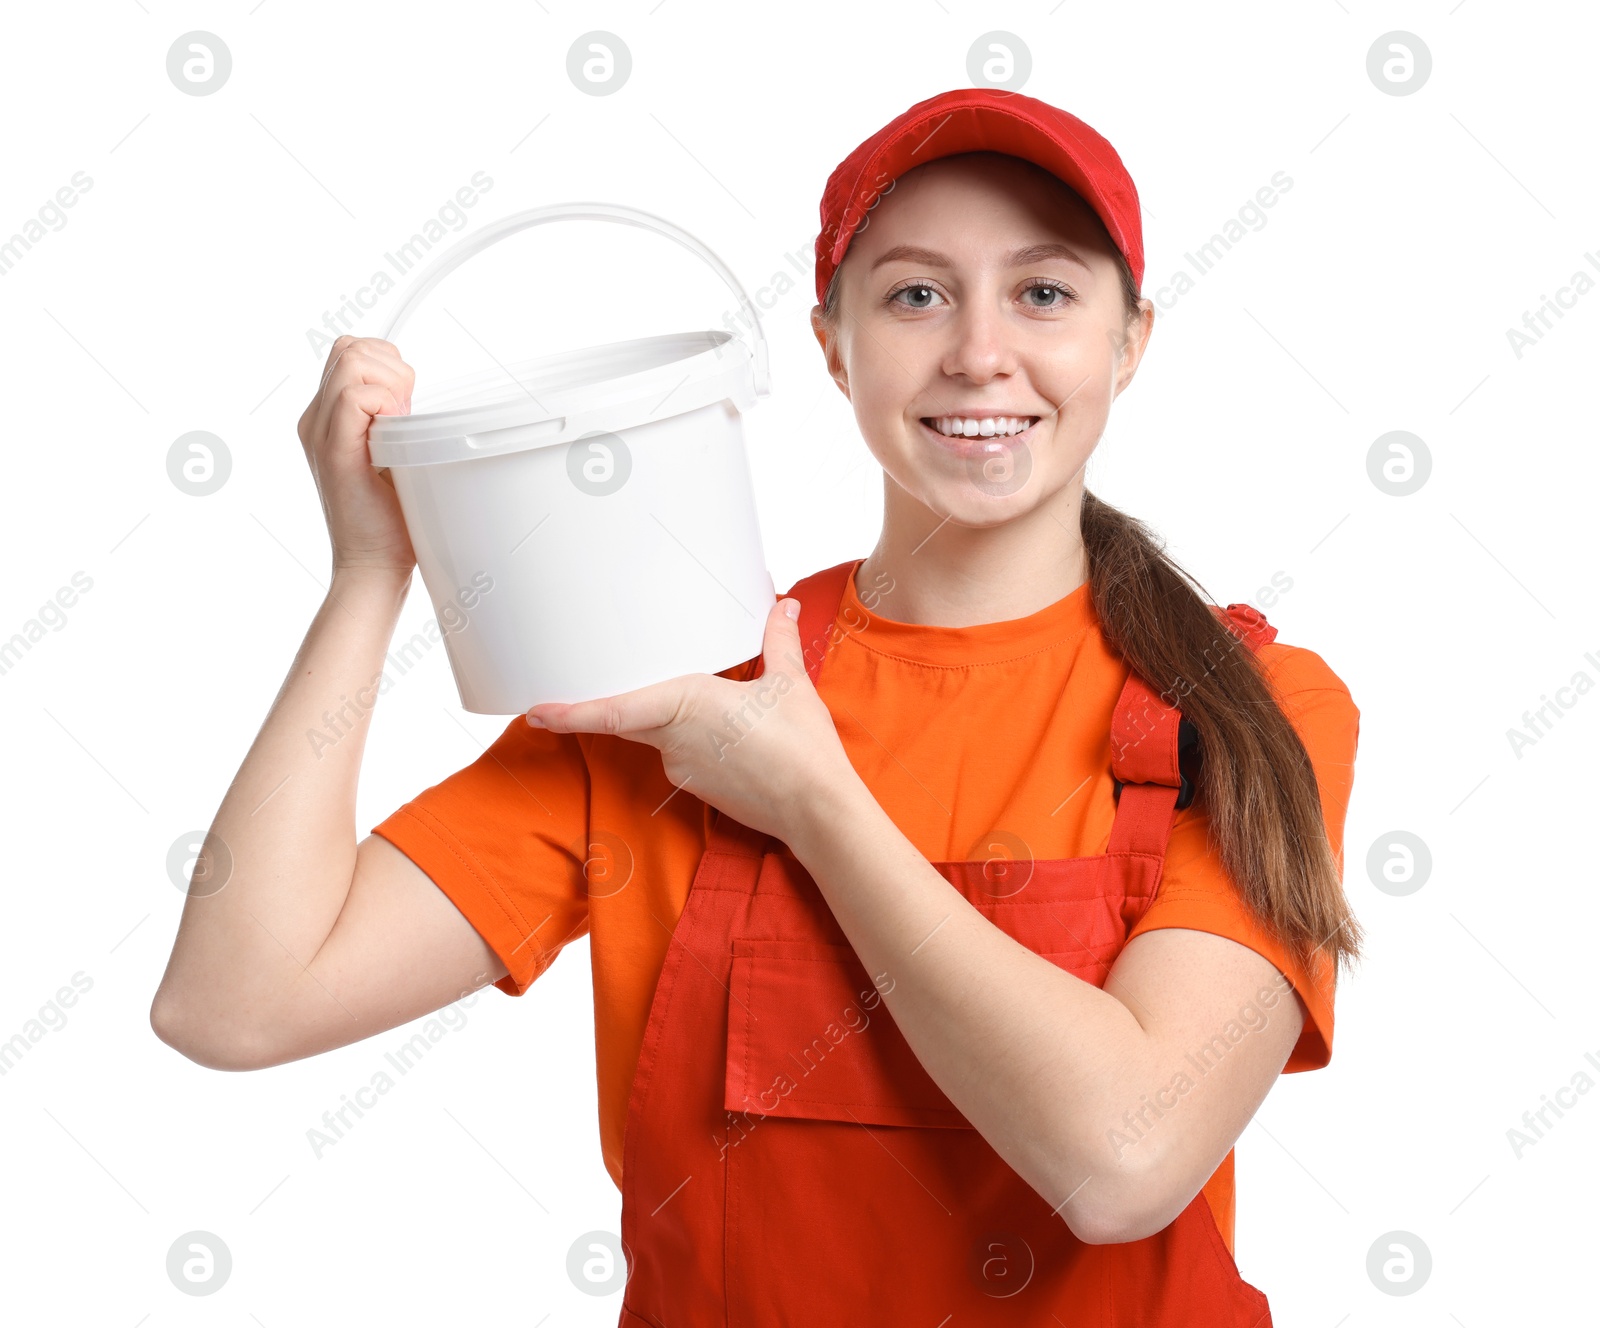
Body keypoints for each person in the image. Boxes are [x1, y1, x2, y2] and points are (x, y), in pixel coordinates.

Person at [151, 87, 1362, 1326]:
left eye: (1043, 293)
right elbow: (235, 1003)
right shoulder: (671, 691)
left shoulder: (1245, 709)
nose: (979, 351)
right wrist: (371, 574)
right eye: (914, 294)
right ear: (832, 347)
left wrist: (812, 801)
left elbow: (1123, 1161)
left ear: (1131, 340)